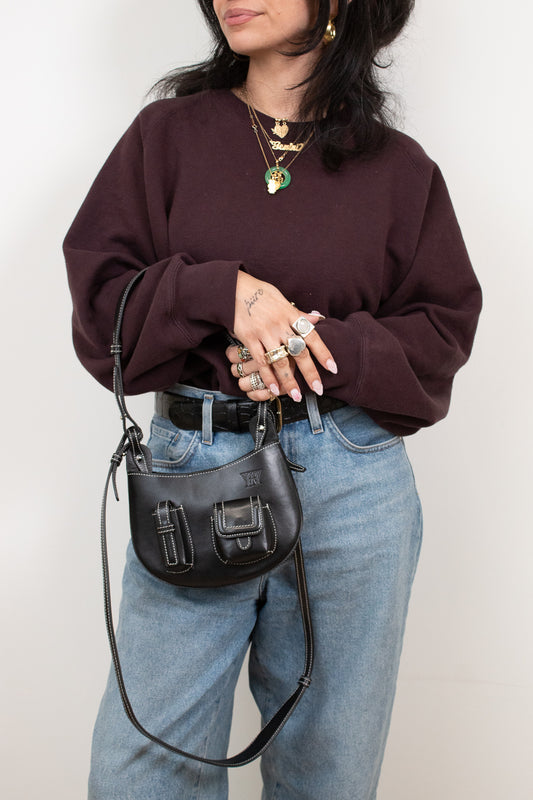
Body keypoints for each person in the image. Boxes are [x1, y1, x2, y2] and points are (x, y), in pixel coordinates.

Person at [64, 1, 482, 798]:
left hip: (353, 478)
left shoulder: (401, 171)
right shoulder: (167, 138)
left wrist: (322, 351)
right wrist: (220, 291)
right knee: (140, 771)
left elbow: (441, 333)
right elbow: (99, 311)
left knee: (329, 771)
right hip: (198, 471)